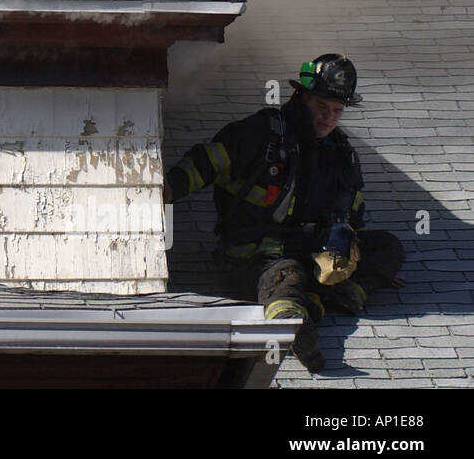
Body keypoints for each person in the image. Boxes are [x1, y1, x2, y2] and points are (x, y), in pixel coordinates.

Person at [163, 54, 405, 372]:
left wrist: (347, 250)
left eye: (336, 110)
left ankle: (337, 295)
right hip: (258, 254)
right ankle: (295, 326)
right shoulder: (260, 135)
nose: (329, 117)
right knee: (284, 277)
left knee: (388, 247)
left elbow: (353, 214)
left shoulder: (342, 154)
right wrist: (159, 193)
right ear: (302, 97)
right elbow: (204, 164)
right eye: (322, 106)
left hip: (313, 255)